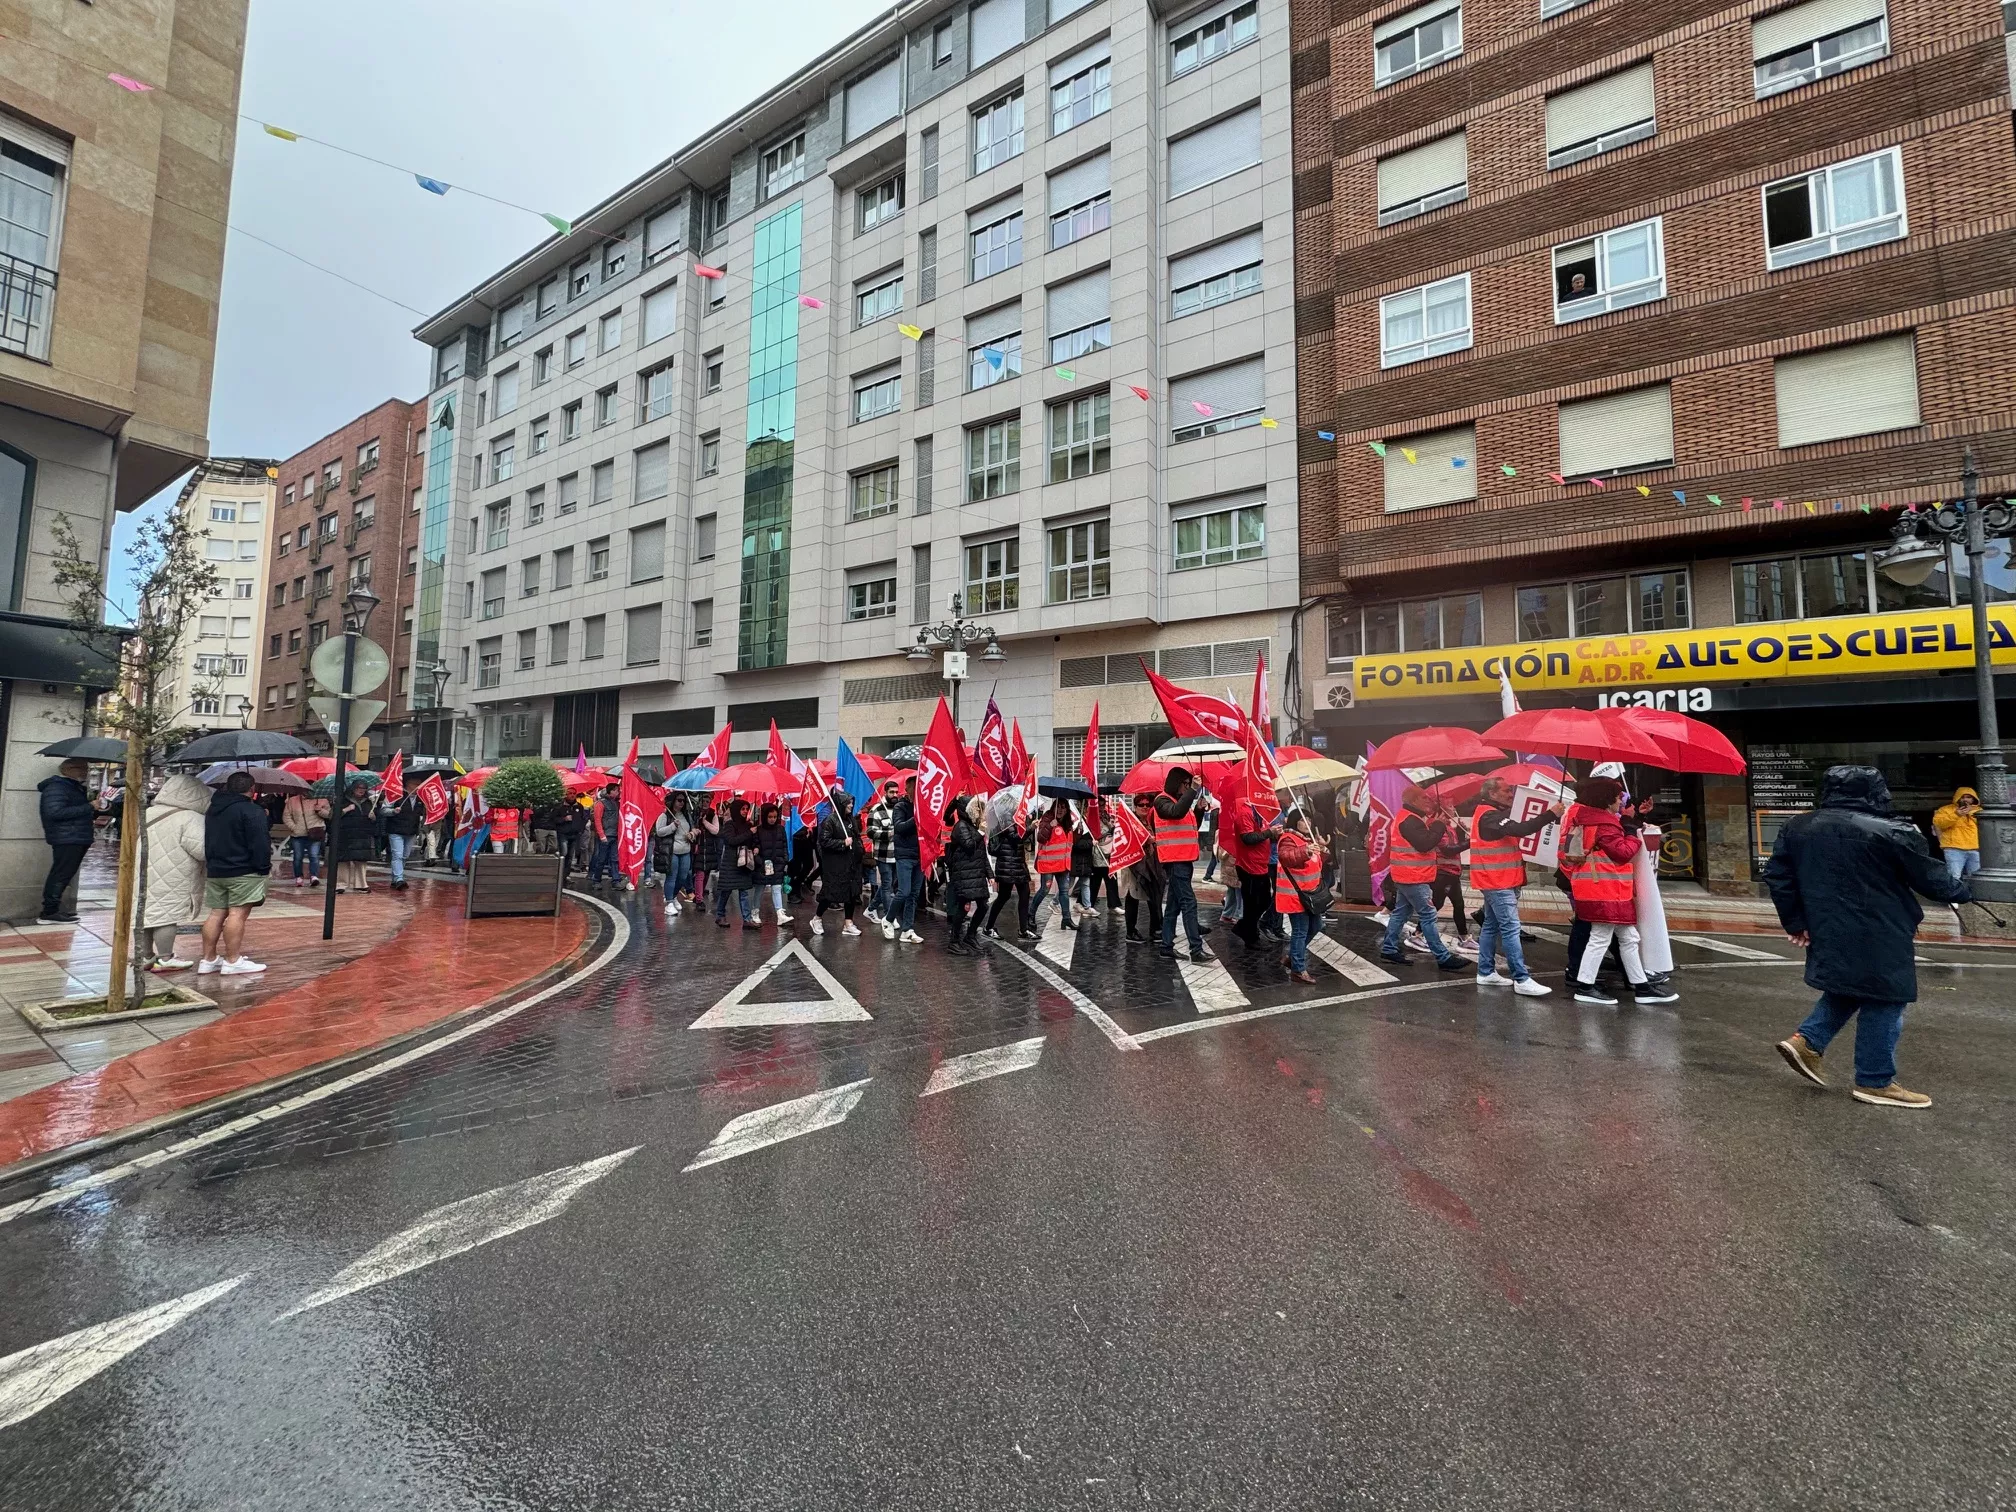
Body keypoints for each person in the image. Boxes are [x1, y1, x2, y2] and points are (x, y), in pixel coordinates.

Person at [1767, 766, 1971, 1108]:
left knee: (1850, 985)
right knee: (1887, 995)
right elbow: (1931, 878)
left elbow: (1778, 876)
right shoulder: (1894, 830)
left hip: (1826, 923)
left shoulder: (1798, 826)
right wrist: (1962, 891)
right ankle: (1875, 1080)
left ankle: (1809, 1041)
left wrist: (1796, 921)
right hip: (1881, 924)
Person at [1563, 777, 1676, 1006]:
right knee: (1601, 937)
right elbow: (1623, 852)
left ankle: (1640, 986)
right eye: (1617, 797)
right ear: (1606, 799)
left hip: (1601, 889)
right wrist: (1633, 833)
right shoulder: (1603, 824)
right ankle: (1587, 986)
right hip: (1606, 889)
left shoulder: (1588, 820)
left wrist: (1629, 822)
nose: (1620, 801)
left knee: (1628, 938)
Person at [1467, 777, 1562, 997]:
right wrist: (1551, 814)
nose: (1511, 794)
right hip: (1497, 881)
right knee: (1510, 927)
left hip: (1499, 880)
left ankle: (1485, 972)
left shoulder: (1490, 814)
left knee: (1491, 926)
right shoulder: (1490, 816)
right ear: (1492, 794)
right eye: (1506, 790)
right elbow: (1521, 830)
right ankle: (1521, 978)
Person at [1380, 786, 1466, 972]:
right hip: (1413, 876)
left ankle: (1388, 948)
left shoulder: (1410, 818)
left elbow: (1424, 840)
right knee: (1428, 915)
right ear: (1413, 801)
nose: (1428, 801)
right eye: (1424, 798)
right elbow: (1425, 844)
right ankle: (1443, 957)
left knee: (1401, 913)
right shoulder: (1410, 820)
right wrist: (1439, 825)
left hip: (1409, 875)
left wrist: (1436, 823)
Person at [199, 771, 270, 974]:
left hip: (216, 869)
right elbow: (259, 843)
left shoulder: (214, 809)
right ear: (252, 789)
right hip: (243, 870)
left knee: (216, 913)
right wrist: (263, 867)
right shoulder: (251, 811)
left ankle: (208, 959)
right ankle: (232, 960)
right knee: (237, 914)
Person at [141, 775, 210, 971]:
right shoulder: (190, 818)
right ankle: (165, 957)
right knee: (166, 914)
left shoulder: (148, 812)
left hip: (143, 871)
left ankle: (145, 955)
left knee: (147, 914)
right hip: (175, 873)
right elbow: (202, 850)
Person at [1154, 767, 1214, 963]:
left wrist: (1198, 809)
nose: (1187, 787)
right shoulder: (1161, 801)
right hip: (1175, 861)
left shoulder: (1179, 802)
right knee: (1189, 903)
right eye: (1185, 784)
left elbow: (1189, 825)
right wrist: (1193, 792)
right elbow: (1176, 814)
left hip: (1184, 859)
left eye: (1189, 785)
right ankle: (1196, 949)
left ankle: (1166, 946)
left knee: (1173, 906)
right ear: (1176, 783)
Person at [36, 758, 98, 923]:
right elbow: (55, 812)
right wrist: (89, 806)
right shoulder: (57, 787)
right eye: (82, 768)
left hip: (75, 836)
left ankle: (53, 908)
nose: (85, 772)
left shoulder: (73, 787)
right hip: (67, 837)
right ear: (68, 769)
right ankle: (49, 912)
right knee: (61, 873)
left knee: (65, 873)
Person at [1274, 807, 1326, 984]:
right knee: (1300, 930)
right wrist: (1306, 851)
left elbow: (1315, 865)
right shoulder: (1288, 839)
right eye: (1304, 819)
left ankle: (1293, 957)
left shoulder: (1308, 840)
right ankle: (1298, 969)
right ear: (1295, 821)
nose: (1308, 823)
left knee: (1316, 925)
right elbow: (1287, 857)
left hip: (1310, 895)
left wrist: (1322, 850)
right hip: (1295, 895)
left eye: (1309, 820)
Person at [1226, 790, 1281, 950]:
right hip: (1249, 866)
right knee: (1253, 903)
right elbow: (1248, 838)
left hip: (1260, 864)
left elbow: (1262, 835)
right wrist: (1268, 833)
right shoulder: (1245, 812)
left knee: (1263, 901)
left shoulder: (1259, 812)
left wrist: (1274, 834)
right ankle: (1250, 936)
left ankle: (1245, 928)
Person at [812, 790, 865, 936]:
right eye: (848, 802)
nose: (851, 805)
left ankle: (848, 923)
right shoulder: (830, 820)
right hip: (835, 864)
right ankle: (817, 918)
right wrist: (842, 843)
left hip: (851, 862)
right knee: (831, 893)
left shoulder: (851, 820)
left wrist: (859, 850)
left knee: (851, 892)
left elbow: (856, 836)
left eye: (851, 802)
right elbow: (824, 841)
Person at [943, 796, 992, 954]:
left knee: (983, 905)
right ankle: (954, 941)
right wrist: (980, 831)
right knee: (963, 907)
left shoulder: (973, 825)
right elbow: (969, 845)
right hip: (964, 873)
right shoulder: (961, 826)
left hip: (976, 873)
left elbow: (981, 853)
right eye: (977, 809)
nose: (980, 812)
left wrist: (989, 873)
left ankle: (970, 935)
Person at [984, 803, 1035, 940]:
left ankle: (1023, 930)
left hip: (1017, 864)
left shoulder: (1016, 817)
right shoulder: (1007, 818)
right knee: (1003, 897)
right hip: (1008, 865)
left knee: (1024, 894)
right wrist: (1030, 828)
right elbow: (1015, 838)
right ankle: (988, 927)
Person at [1120, 793, 1164, 945]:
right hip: (1135, 866)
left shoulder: (1146, 821)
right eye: (1141, 805)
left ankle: (1156, 928)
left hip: (1148, 865)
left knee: (1152, 895)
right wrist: (1147, 841)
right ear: (1135, 806)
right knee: (1133, 896)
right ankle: (1130, 931)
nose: (1145, 807)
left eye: (1147, 805)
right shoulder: (1132, 822)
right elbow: (1129, 840)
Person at [711, 799, 758, 926]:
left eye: (746, 809)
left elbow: (749, 842)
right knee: (726, 890)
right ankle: (720, 915)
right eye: (742, 809)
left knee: (744, 892)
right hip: (731, 862)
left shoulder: (748, 825)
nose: (745, 811)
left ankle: (747, 920)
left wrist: (754, 843)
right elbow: (731, 841)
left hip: (743, 862)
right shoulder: (729, 825)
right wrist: (749, 832)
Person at [889, 781, 924, 943]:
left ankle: (907, 929)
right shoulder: (900, 807)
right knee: (904, 891)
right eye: (915, 787)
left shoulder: (922, 806)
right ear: (908, 789)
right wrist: (916, 818)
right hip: (904, 855)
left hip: (920, 854)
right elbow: (899, 827)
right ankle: (888, 919)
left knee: (914, 895)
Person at [1032, 800, 1077, 928]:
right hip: (1048, 863)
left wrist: (1078, 832)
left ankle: (1066, 919)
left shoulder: (1068, 823)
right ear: (1053, 807)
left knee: (1064, 891)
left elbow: (1069, 843)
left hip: (1063, 864)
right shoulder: (1047, 818)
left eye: (1063, 808)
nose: (1060, 810)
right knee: (1044, 890)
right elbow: (1040, 838)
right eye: (1058, 807)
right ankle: (1030, 915)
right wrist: (1050, 826)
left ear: (1067, 810)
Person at [863, 782, 899, 923]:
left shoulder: (899, 808)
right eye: (891, 792)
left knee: (889, 885)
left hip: (897, 854)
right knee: (887, 885)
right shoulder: (876, 810)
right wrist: (889, 833)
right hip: (883, 854)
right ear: (885, 792)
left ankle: (871, 909)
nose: (895, 795)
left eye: (896, 792)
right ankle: (889, 917)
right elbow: (871, 831)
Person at [333, 779, 377, 892]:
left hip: (362, 835)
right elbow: (332, 816)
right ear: (353, 789)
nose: (361, 791)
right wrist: (346, 809)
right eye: (359, 788)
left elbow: (376, 820)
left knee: (361, 860)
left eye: (363, 788)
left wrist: (374, 817)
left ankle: (361, 884)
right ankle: (341, 884)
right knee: (344, 860)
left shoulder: (369, 802)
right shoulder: (343, 800)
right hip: (345, 834)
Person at [1932, 787, 1982, 882]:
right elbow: (1939, 824)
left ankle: (1973, 896)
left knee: (1976, 878)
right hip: (1953, 848)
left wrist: (1971, 813)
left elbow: (1984, 826)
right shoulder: (1945, 810)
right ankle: (1956, 897)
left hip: (1975, 848)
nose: (1965, 799)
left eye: (1968, 797)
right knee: (1954, 877)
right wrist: (1956, 814)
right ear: (1957, 798)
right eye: (1962, 797)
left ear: (1973, 799)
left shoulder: (1979, 811)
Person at [753, 802, 792, 923]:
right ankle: (755, 911)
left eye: (775, 817)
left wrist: (785, 859)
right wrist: (759, 861)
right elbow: (755, 847)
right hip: (763, 864)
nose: (772, 819)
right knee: (760, 888)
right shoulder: (758, 830)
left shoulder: (780, 829)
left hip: (777, 863)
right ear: (765, 816)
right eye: (770, 817)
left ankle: (780, 913)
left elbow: (784, 845)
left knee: (776, 887)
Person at [281, 789, 328, 888]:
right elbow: (286, 816)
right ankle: (299, 877)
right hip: (298, 834)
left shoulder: (322, 800)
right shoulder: (292, 801)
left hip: (315, 833)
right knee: (298, 857)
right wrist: (294, 828)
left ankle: (314, 876)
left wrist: (320, 810)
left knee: (314, 855)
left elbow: (329, 815)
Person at [381, 787, 422, 891]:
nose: (416, 786)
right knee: (397, 855)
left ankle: (395, 879)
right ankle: (399, 878)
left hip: (411, 831)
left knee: (404, 856)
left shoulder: (420, 798)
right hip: (396, 830)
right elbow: (383, 810)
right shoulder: (395, 794)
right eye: (414, 783)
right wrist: (393, 811)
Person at [588, 785, 620, 884]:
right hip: (606, 835)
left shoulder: (615, 803)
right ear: (611, 791)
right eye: (616, 791)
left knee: (614, 859)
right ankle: (596, 879)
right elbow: (598, 820)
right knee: (601, 859)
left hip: (614, 834)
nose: (618, 792)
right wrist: (602, 835)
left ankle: (615, 880)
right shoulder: (600, 804)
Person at [692, 799, 720, 907]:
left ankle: (699, 894)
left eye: (707, 801)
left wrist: (705, 822)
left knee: (706, 873)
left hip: (709, 848)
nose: (705, 803)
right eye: (703, 801)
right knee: (700, 873)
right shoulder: (695, 813)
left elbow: (716, 830)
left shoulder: (713, 814)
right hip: (698, 848)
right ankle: (699, 899)